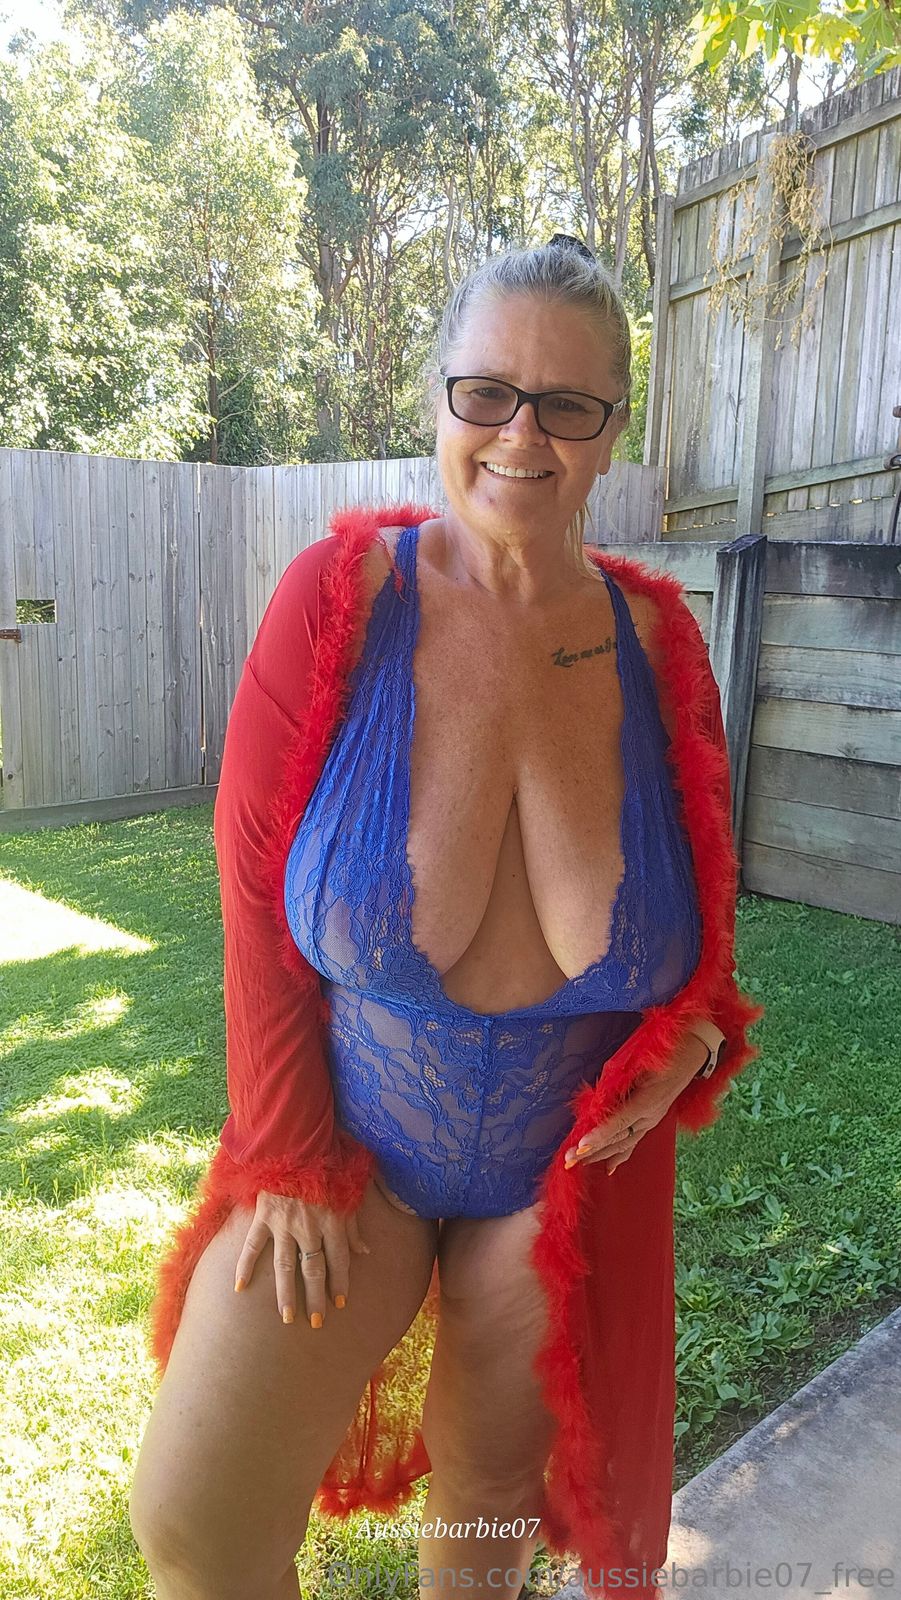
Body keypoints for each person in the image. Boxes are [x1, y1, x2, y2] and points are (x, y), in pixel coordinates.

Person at [129, 237, 765, 1600]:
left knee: (485, 1518)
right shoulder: (341, 601)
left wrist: (693, 1039)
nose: (522, 435)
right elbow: (249, 891)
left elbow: (704, 928)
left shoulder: (662, 645)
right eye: (488, 393)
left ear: (612, 433)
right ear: (439, 400)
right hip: (350, 1152)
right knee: (195, 1523)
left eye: (568, 405)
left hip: (557, 1184)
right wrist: (285, 1149)